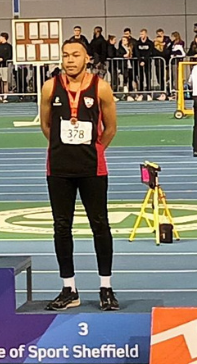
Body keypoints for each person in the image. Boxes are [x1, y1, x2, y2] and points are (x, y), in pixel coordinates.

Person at [40, 38, 118, 311]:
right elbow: (46, 125)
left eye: (75, 55)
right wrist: (63, 148)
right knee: (61, 226)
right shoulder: (50, 87)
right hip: (59, 168)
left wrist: (94, 149)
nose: (70, 60)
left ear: (87, 59)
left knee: (100, 225)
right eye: (65, 55)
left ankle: (106, 287)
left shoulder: (101, 87)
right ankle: (69, 288)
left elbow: (111, 128)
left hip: (92, 168)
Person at [0, 32, 13, 103]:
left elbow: (9, 56)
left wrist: (3, 59)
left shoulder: (9, 46)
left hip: (4, 66)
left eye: (0, 37)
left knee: (5, 81)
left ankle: (5, 96)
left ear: (4, 38)